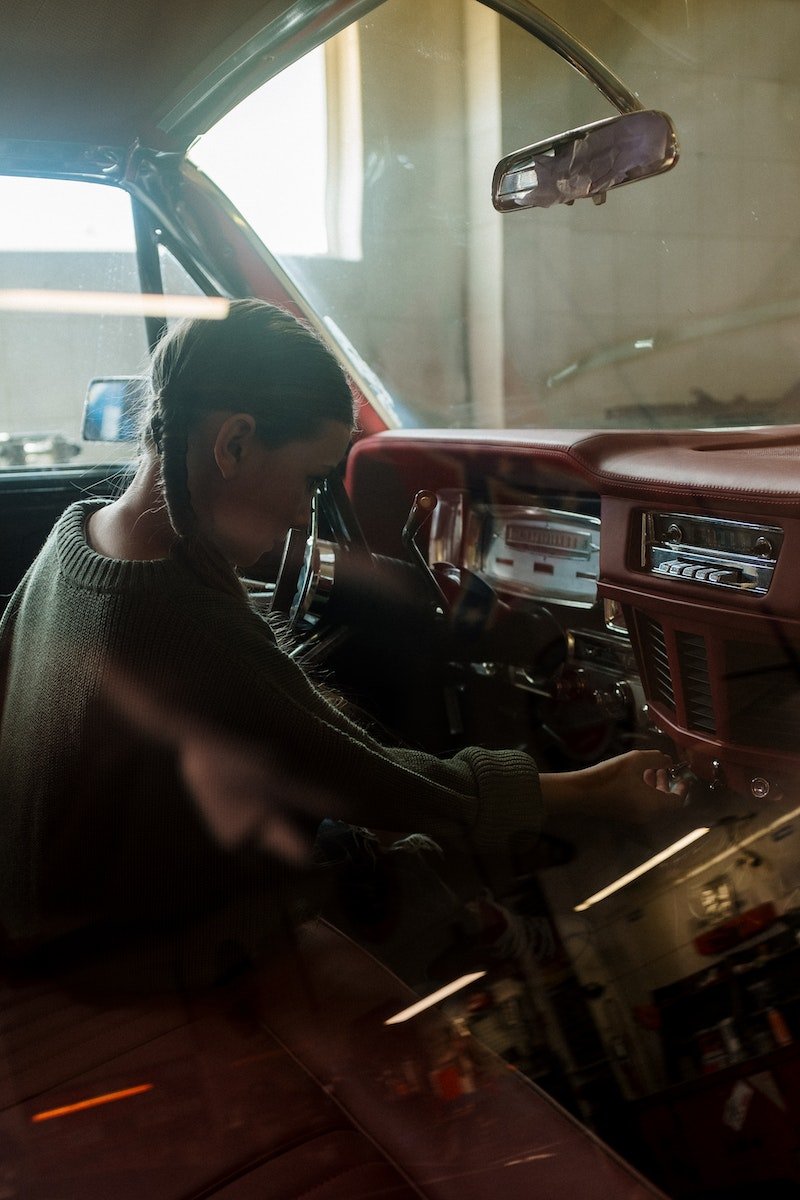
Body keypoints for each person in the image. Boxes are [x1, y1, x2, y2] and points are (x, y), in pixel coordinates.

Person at [0, 299, 680, 986]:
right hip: (123, 966)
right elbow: (389, 785)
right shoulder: (185, 627)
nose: (303, 513)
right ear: (234, 444)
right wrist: (595, 789)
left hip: (54, 915)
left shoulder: (75, 538)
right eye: (310, 479)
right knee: (413, 859)